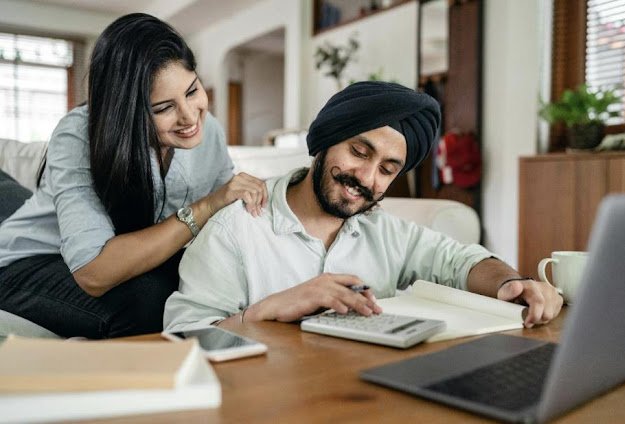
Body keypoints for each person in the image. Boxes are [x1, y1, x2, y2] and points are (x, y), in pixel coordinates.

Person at [163, 81, 563, 332]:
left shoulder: (382, 230)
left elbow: (460, 261)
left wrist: (513, 283)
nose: (367, 178)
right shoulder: (235, 228)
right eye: (359, 152)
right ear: (325, 141)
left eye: (387, 169)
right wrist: (269, 309)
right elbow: (185, 334)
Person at [0, 13, 267, 339]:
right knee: (150, 301)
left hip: (60, 223)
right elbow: (94, 272)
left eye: (192, 90)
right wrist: (206, 206)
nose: (189, 116)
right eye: (163, 108)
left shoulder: (207, 129)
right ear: (126, 112)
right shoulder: (80, 133)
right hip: (33, 259)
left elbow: (228, 223)